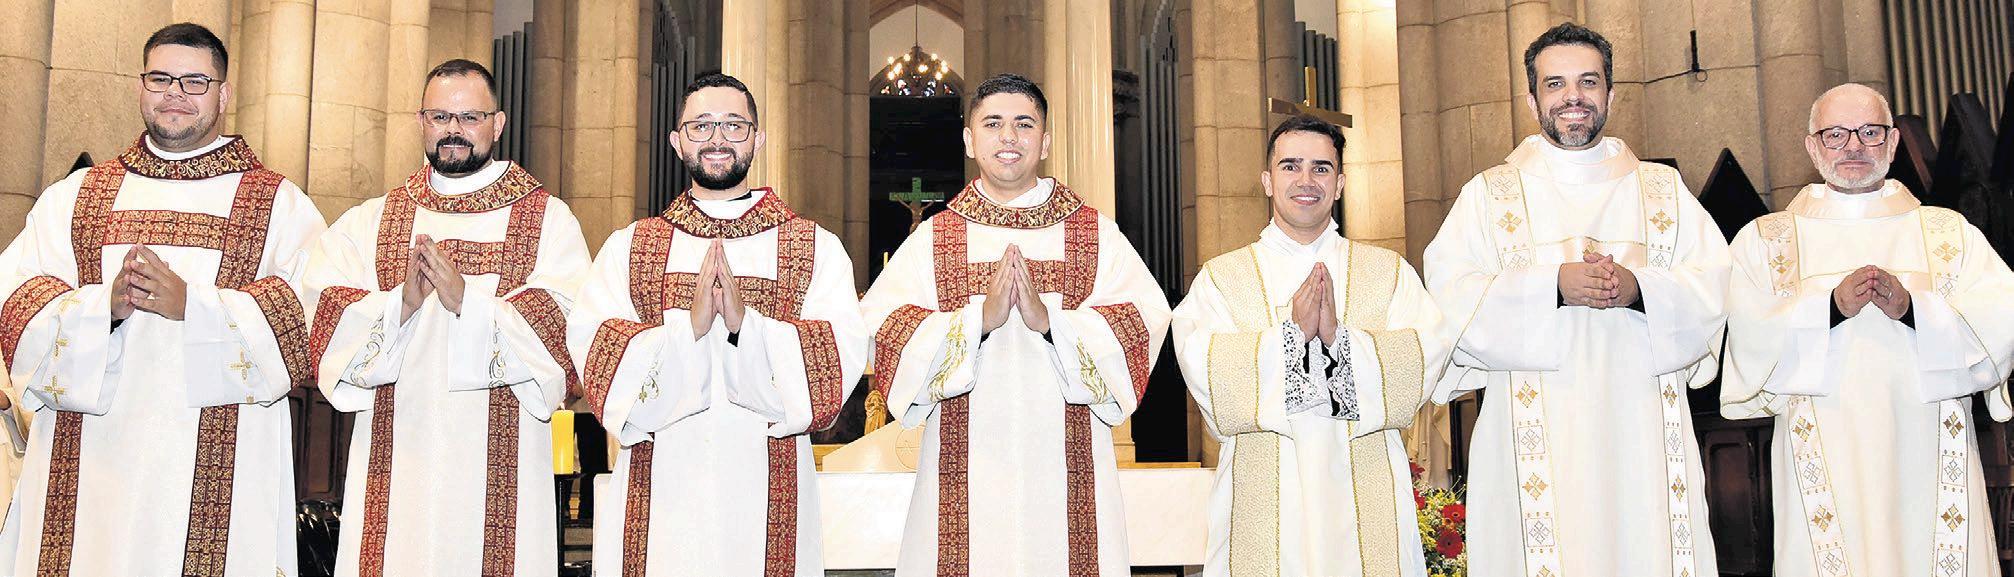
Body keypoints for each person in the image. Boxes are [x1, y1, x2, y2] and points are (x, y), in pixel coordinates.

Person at [0, 22, 325, 575]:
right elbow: (16, 300)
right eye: (161, 78)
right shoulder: (75, 197)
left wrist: (191, 306)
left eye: (195, 81)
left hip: (216, 468)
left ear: (224, 94)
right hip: (91, 463)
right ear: (140, 86)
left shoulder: (278, 205)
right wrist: (102, 309)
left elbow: (306, 319)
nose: (175, 93)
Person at [1423, 22, 1730, 576]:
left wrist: (1640, 290)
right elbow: (1448, 299)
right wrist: (1553, 287)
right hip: (1532, 436)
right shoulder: (1490, 195)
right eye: (1555, 84)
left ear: (1610, 93)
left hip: (1642, 428)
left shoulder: (1661, 190)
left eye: (1588, 82)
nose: (1573, 97)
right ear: (1531, 99)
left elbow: (1714, 287)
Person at [859, 73, 1171, 576]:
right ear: (969, 139)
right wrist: (975, 323)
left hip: (1069, 478)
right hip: (962, 477)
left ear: (1045, 142)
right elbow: (881, 329)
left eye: (1024, 124)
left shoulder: (1093, 233)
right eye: (993, 124)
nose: (1009, 137)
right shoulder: (936, 238)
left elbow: (1144, 319)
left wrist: (1052, 325)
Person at [567, 72, 867, 576]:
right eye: (701, 125)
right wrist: (688, 330)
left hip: (767, 494)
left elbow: (836, 361)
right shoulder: (631, 247)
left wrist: (746, 328)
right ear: (677, 140)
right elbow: (596, 353)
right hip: (659, 494)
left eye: (734, 125)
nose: (717, 139)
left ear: (758, 138)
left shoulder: (813, 247)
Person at [301, 58, 586, 577]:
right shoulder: (372, 221)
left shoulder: (548, 220)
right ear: (421, 121)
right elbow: (322, 312)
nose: (454, 129)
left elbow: (565, 328)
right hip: (396, 467)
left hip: (502, 474)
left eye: (470, 117)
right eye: (440, 116)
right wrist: (401, 305)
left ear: (498, 124)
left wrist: (466, 303)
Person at [1722, 83, 2014, 577]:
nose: (1854, 146)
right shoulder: (1768, 241)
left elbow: (1999, 321)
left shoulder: (1947, 232)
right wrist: (1830, 309)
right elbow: (1748, 337)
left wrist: (1913, 309)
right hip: (1822, 443)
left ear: (1893, 142)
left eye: (1869, 132)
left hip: (1928, 443)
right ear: (1812, 146)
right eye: (1835, 134)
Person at [1173, 115, 1450, 576]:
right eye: (1290, 166)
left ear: (1339, 184)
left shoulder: (1389, 273)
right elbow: (1205, 370)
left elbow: (1425, 358)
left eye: (1321, 168)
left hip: (1367, 492)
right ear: (1267, 181)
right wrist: (1292, 337)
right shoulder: (1222, 279)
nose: (1306, 180)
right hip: (1263, 499)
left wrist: (1339, 341)